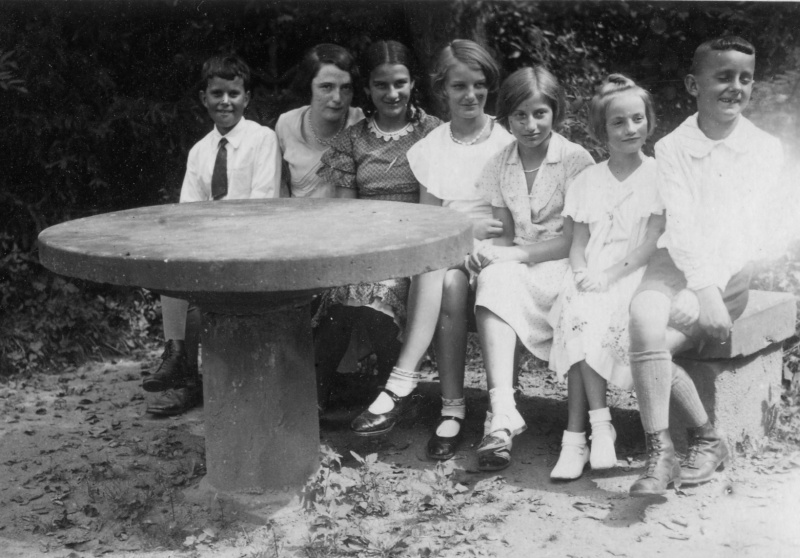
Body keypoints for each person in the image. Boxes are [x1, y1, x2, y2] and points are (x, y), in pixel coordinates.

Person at [627, 36, 784, 496]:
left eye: (745, 78)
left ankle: (704, 438)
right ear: (693, 84)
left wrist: (707, 292)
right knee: (643, 320)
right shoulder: (673, 146)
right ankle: (665, 452)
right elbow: (682, 224)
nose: (735, 87)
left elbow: (750, 235)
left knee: (646, 351)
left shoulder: (764, 149)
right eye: (723, 77)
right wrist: (693, 287)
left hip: (729, 272)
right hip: (675, 262)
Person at [350, 40, 514, 462]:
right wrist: (458, 231)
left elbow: (505, 228)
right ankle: (452, 411)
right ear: (443, 89)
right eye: (460, 86)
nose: (471, 95)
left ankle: (402, 381)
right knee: (445, 279)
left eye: (479, 85)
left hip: (493, 252)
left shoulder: (505, 143)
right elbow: (427, 225)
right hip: (446, 253)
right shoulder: (431, 146)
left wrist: (463, 233)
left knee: (436, 267)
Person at [470, 67, 594, 471]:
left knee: (563, 292)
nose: (530, 125)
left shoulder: (576, 160)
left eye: (540, 113)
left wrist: (515, 256)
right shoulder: (499, 163)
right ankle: (502, 413)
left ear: (555, 113)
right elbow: (504, 237)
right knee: (492, 277)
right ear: (506, 117)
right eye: (519, 115)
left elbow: (576, 240)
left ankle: (583, 431)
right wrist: (490, 254)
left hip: (564, 263)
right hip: (519, 264)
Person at [144, 54, 282, 415]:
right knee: (170, 258)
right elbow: (188, 211)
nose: (225, 101)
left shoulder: (262, 140)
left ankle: (187, 372)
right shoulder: (200, 151)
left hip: (252, 243)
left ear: (247, 98)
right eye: (217, 93)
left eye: (233, 93)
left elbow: (262, 203)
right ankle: (180, 362)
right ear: (204, 98)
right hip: (209, 244)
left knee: (200, 288)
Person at [548, 74, 665, 480]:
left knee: (593, 315)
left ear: (649, 122)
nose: (630, 129)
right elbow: (578, 242)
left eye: (638, 119)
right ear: (602, 130)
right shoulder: (587, 181)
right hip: (591, 270)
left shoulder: (658, 176)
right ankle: (598, 428)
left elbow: (649, 242)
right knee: (578, 306)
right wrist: (582, 272)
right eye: (619, 122)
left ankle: (578, 434)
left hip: (633, 272)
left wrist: (609, 276)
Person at [312, 40, 440, 411]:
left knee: (378, 294)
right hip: (366, 242)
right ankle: (315, 400)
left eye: (400, 82)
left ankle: (394, 390)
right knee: (341, 291)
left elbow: (434, 209)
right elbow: (346, 213)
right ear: (366, 88)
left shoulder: (431, 133)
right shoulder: (352, 140)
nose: (392, 93)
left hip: (414, 247)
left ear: (413, 83)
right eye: (381, 85)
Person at [275, 44, 364, 199]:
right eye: (326, 87)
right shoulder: (286, 124)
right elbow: (281, 185)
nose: (337, 98)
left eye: (345, 88)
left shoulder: (360, 123)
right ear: (308, 86)